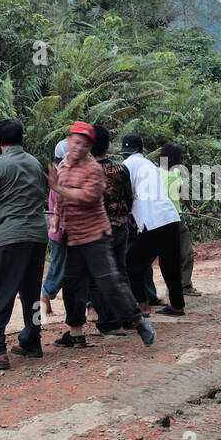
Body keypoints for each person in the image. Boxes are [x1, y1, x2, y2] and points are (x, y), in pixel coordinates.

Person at [50, 122, 154, 347]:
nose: (79, 147)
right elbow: (60, 200)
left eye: (85, 144)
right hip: (73, 236)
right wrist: (57, 219)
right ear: (68, 142)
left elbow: (88, 196)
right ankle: (75, 333)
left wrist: (60, 190)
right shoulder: (63, 168)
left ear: (90, 148)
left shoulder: (93, 169)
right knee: (72, 285)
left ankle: (138, 321)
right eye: (76, 142)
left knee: (109, 280)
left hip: (96, 235)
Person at [0, 118, 49, 370]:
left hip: (10, 237)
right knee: (32, 294)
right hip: (37, 236)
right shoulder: (35, 163)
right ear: (23, 139)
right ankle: (32, 340)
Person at [122, 133, 185, 317]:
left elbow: (126, 194)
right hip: (171, 216)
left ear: (124, 153)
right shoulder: (150, 165)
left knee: (132, 265)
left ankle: (143, 306)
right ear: (141, 149)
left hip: (153, 221)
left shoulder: (126, 166)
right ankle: (177, 306)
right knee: (170, 264)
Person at [88, 124, 136, 333]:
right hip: (120, 226)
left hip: (98, 230)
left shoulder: (87, 170)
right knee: (120, 273)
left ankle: (109, 322)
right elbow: (129, 197)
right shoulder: (121, 169)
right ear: (108, 145)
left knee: (97, 278)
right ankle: (128, 318)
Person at [159, 141, 200, 297]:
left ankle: (182, 285)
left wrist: (190, 209)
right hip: (168, 220)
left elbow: (181, 193)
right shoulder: (161, 173)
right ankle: (180, 286)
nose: (181, 160)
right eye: (180, 157)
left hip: (172, 218)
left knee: (180, 253)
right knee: (179, 254)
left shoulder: (171, 172)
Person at [40, 139, 69, 316]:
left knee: (60, 267)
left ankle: (46, 297)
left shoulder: (60, 176)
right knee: (59, 268)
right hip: (61, 232)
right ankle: (45, 296)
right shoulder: (63, 178)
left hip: (61, 231)